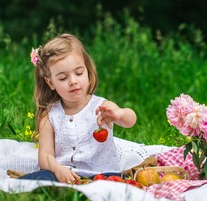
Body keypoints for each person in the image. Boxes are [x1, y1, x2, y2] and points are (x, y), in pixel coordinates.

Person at [19, 33, 138, 184]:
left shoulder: (102, 106)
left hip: (101, 173)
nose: (73, 81)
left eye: (79, 73)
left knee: (121, 183)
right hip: (65, 174)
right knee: (36, 179)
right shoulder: (49, 115)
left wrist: (119, 114)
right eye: (63, 78)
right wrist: (57, 169)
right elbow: (45, 156)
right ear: (51, 83)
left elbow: (130, 120)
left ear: (88, 72)